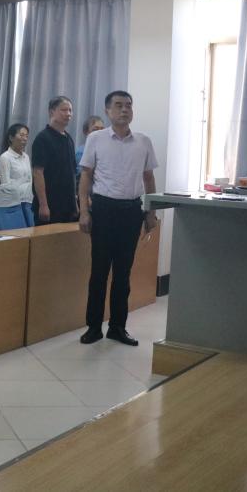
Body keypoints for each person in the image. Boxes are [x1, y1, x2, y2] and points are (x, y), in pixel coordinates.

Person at [78, 90, 158, 347]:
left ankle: (117, 327)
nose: (125, 110)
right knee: (99, 272)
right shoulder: (96, 139)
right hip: (103, 210)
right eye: (119, 105)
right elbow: (86, 177)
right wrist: (84, 211)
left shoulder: (143, 141)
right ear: (108, 110)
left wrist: (151, 212)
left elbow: (149, 179)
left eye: (128, 105)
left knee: (123, 273)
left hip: (131, 211)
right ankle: (93, 327)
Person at [31, 96, 78, 225]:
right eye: (64, 110)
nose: (68, 114)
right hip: (50, 205)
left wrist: (75, 201)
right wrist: (43, 205)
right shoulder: (42, 138)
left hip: (68, 205)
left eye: (70, 110)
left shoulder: (68, 138)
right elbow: (38, 173)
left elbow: (72, 173)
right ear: (52, 112)